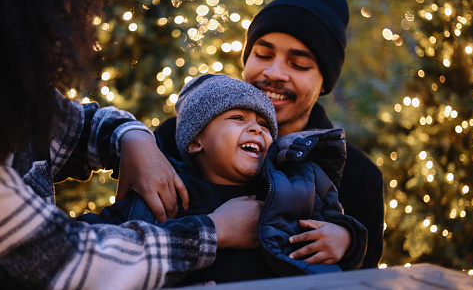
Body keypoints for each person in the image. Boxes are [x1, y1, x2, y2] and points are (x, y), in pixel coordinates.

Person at [0, 0, 261, 288]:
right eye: (237, 117)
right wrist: (213, 231)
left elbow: (81, 125)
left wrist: (132, 136)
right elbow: (73, 263)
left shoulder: (18, 98)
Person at [155, 0, 384, 268]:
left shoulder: (358, 178)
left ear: (324, 81)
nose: (274, 72)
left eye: (299, 64)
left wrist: (348, 242)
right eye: (263, 54)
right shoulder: (176, 137)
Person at [79, 74, 367, 286]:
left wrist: (347, 239)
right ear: (196, 142)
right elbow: (90, 240)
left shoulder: (294, 182)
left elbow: (337, 222)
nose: (255, 129)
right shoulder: (166, 193)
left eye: (264, 124)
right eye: (238, 118)